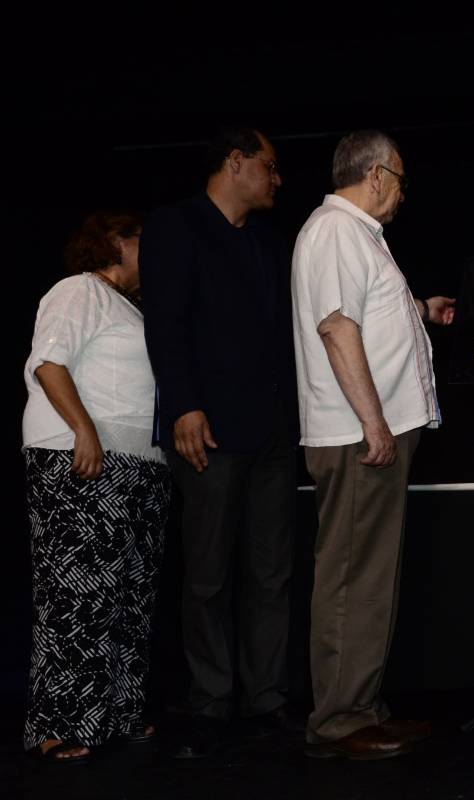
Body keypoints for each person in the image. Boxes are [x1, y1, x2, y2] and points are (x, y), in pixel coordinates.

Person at [139, 127, 302, 758]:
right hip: (208, 427)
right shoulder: (177, 226)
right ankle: (210, 700)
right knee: (206, 574)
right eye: (270, 166)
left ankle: (266, 697)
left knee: (272, 571)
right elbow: (167, 322)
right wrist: (182, 403)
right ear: (235, 163)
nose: (277, 178)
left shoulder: (267, 242)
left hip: (272, 430)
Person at [292, 130, 454, 759]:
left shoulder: (356, 236)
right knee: (351, 575)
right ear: (379, 175)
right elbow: (336, 327)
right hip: (358, 436)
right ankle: (339, 719)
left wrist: (417, 309)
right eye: (402, 181)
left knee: (369, 576)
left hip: (368, 431)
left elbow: (363, 311)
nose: (402, 195)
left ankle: (362, 705)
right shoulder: (335, 231)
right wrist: (374, 423)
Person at [21, 212, 172, 764]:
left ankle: (118, 712)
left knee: (130, 596)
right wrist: (84, 430)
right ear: (115, 243)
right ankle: (59, 722)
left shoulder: (131, 307)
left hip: (141, 464)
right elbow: (49, 363)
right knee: (76, 595)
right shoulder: (78, 291)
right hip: (83, 459)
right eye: (143, 243)